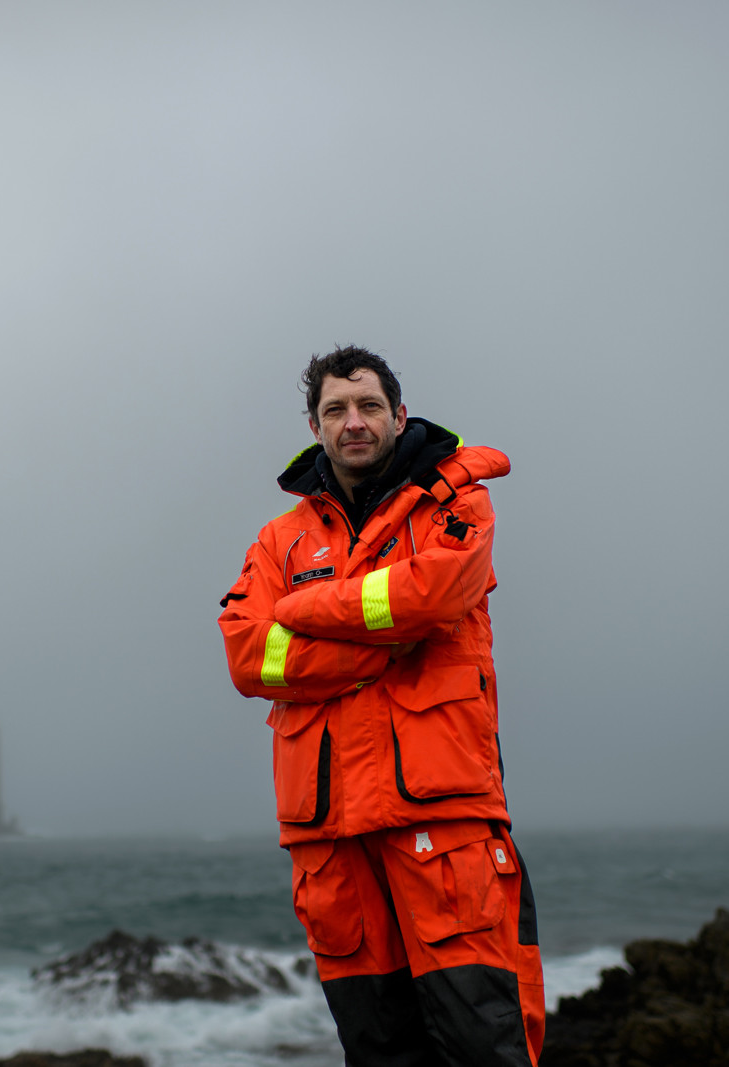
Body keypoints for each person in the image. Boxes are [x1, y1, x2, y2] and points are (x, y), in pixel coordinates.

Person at [218, 346, 545, 1066]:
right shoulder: (279, 539)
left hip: (443, 826)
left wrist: (303, 610)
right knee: (378, 1053)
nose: (353, 421)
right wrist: (377, 644)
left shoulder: (454, 500)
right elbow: (249, 655)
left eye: (368, 406)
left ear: (399, 415)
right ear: (315, 424)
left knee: (483, 1046)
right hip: (333, 845)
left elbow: (435, 593)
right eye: (335, 409)